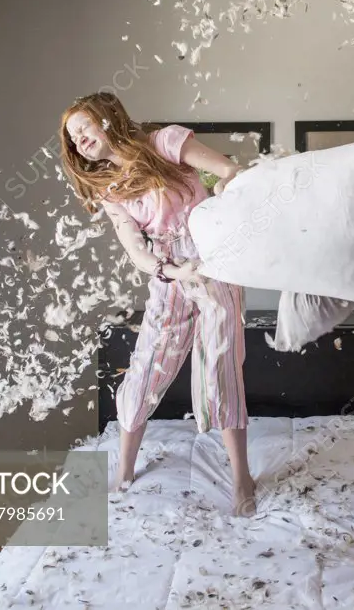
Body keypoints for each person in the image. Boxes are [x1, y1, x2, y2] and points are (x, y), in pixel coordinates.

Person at [58, 92, 256, 516]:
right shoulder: (111, 190)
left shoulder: (166, 142)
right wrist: (175, 272)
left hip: (214, 261)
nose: (79, 141)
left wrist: (222, 195)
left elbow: (227, 171)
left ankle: (242, 478)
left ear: (107, 119)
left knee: (220, 364)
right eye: (73, 138)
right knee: (148, 363)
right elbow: (137, 251)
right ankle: (124, 471)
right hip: (170, 272)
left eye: (84, 128)